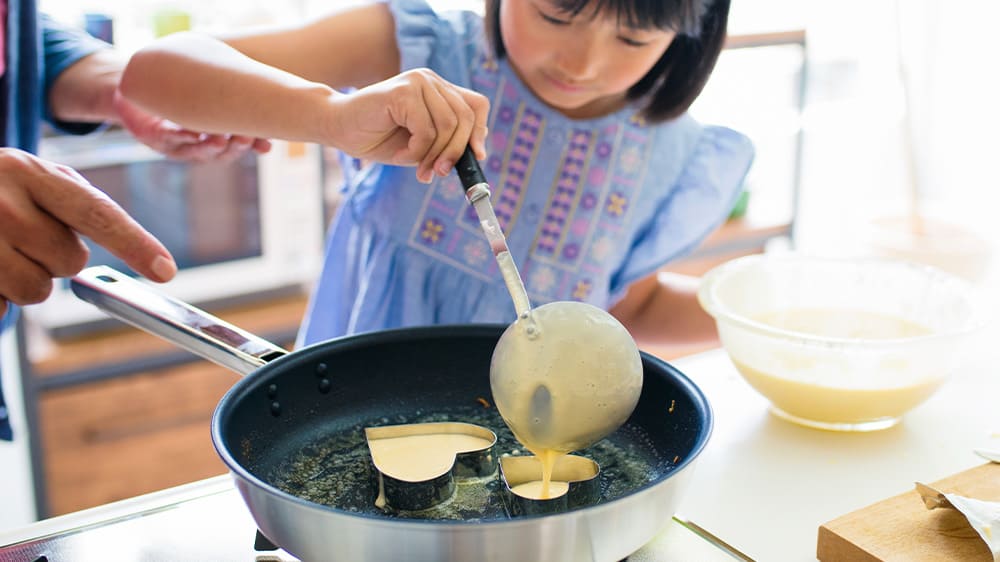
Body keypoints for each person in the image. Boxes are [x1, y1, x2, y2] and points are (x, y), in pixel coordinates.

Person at [119, 0, 752, 352]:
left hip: (530, 464)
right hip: (356, 423)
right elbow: (152, 75)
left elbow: (625, 305)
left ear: (693, 33)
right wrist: (330, 116)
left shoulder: (674, 154)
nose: (584, 63)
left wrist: (762, 317)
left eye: (636, 39)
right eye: (557, 15)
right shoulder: (417, 50)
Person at [0, 4, 488, 440]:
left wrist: (112, 84)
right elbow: (157, 66)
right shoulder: (419, 38)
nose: (569, 65)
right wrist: (329, 114)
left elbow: (19, 34)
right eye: (552, 15)